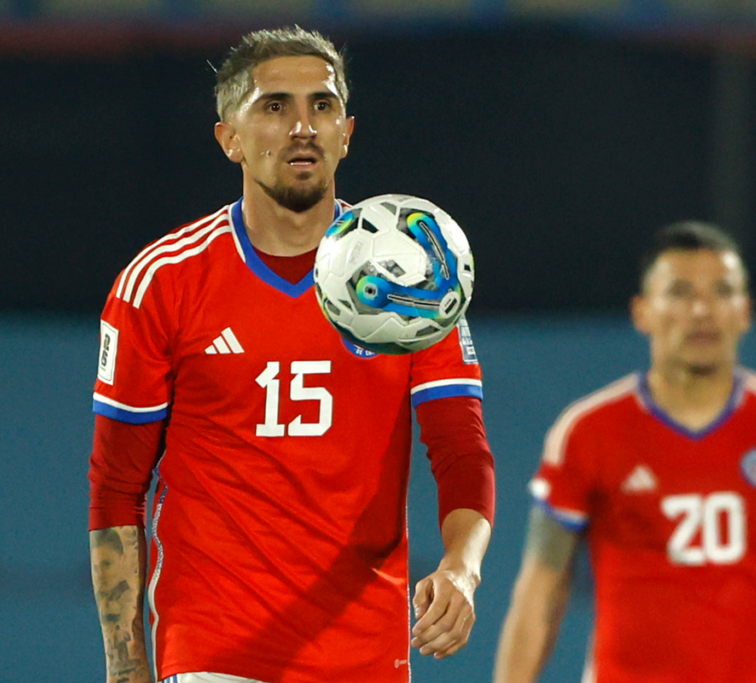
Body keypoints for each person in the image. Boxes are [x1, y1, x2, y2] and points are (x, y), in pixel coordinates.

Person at [87, 27, 495, 683]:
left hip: (367, 653)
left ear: (347, 132)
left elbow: (460, 447)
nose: (303, 126)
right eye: (275, 106)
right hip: (215, 649)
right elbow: (116, 488)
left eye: (322, 105)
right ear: (230, 138)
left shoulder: (418, 281)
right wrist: (126, 664)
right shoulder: (162, 281)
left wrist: (461, 567)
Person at [494, 222, 756, 683]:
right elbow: (542, 590)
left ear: (745, 311)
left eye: (723, 292)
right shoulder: (588, 430)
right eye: (679, 292)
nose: (702, 310)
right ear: (642, 313)